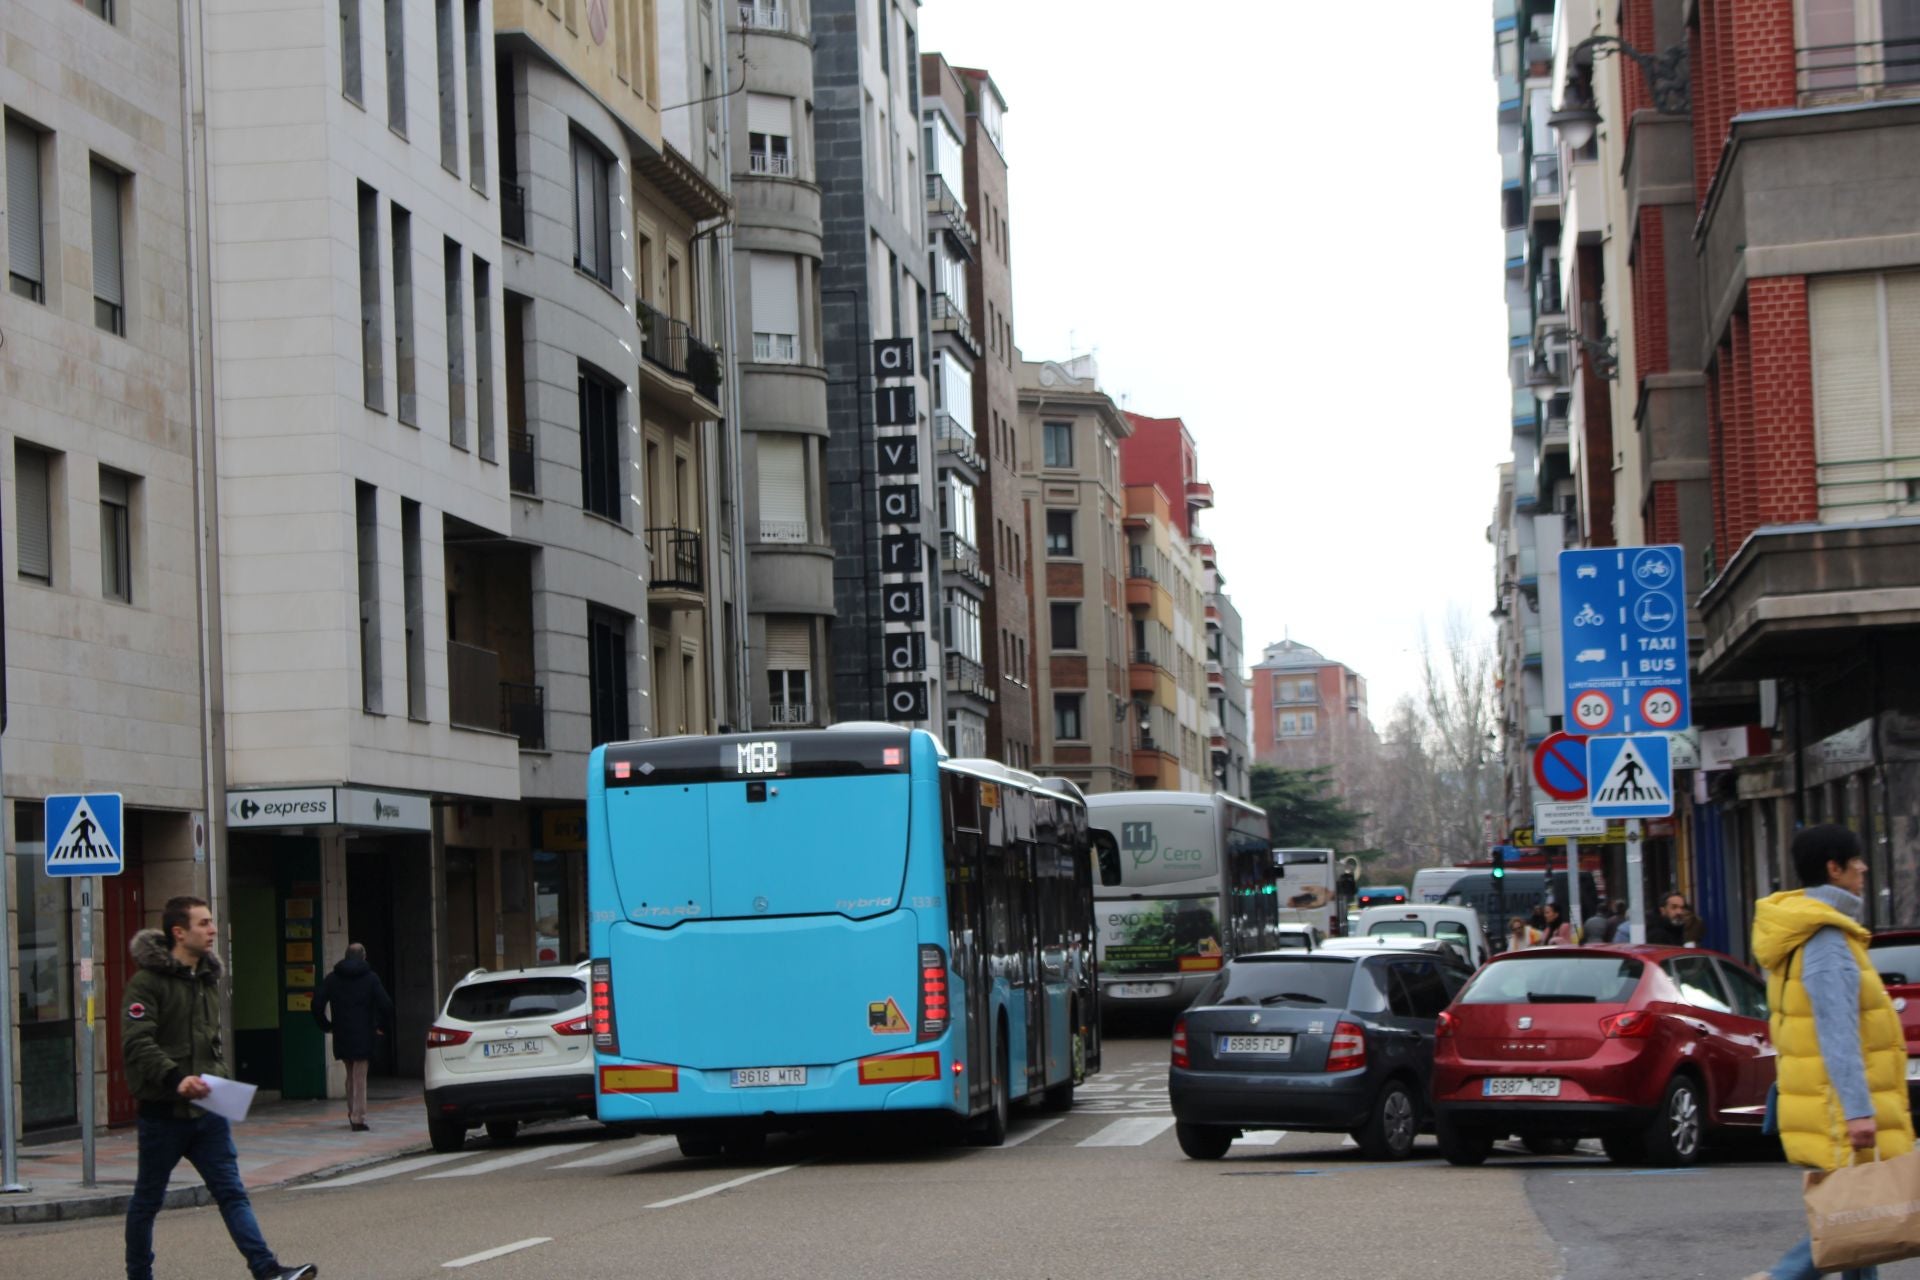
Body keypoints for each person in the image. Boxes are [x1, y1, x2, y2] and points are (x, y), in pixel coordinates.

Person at [1745, 825, 1915, 1280]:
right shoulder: (1826, 940)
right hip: (1838, 1105)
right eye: (1855, 861)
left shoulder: (1802, 931)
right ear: (1833, 869)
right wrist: (1859, 1110)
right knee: (1853, 1218)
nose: (1863, 868)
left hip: (1822, 1097)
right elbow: (1836, 1030)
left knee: (1859, 1221)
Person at [123, 896, 317, 1280]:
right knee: (147, 1202)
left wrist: (217, 1076)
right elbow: (137, 1042)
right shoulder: (147, 983)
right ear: (179, 932)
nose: (213, 930)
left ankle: (268, 1270)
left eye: (212, 922)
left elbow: (210, 1041)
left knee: (232, 1193)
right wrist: (176, 1078)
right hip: (163, 1114)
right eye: (204, 923)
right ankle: (139, 1275)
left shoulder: (207, 980)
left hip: (207, 1111)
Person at [312, 941, 393, 1131]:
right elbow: (386, 1004)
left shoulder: (332, 978)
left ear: (346, 956)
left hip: (342, 1033)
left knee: (350, 1075)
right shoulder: (371, 978)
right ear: (363, 957)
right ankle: (358, 1118)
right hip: (364, 1033)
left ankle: (352, 1112)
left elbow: (317, 1004)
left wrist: (326, 1025)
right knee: (360, 1077)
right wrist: (381, 1026)